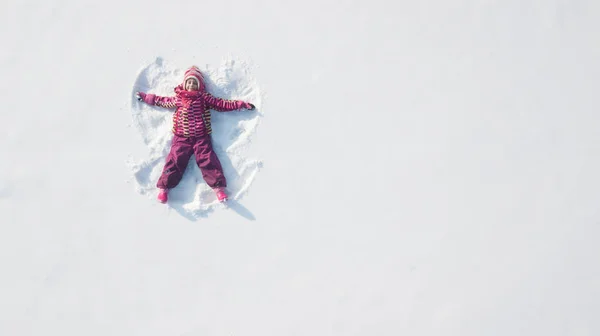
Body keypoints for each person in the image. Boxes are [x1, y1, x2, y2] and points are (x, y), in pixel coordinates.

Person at [136, 66, 255, 203]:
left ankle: (219, 189)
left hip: (201, 137)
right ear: (185, 84)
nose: (191, 85)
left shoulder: (204, 98)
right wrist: (146, 97)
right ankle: (164, 189)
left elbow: (221, 104)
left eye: (195, 83)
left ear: (200, 86)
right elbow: (163, 101)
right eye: (189, 82)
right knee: (175, 160)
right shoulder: (179, 99)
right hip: (181, 137)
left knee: (208, 160)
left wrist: (241, 105)